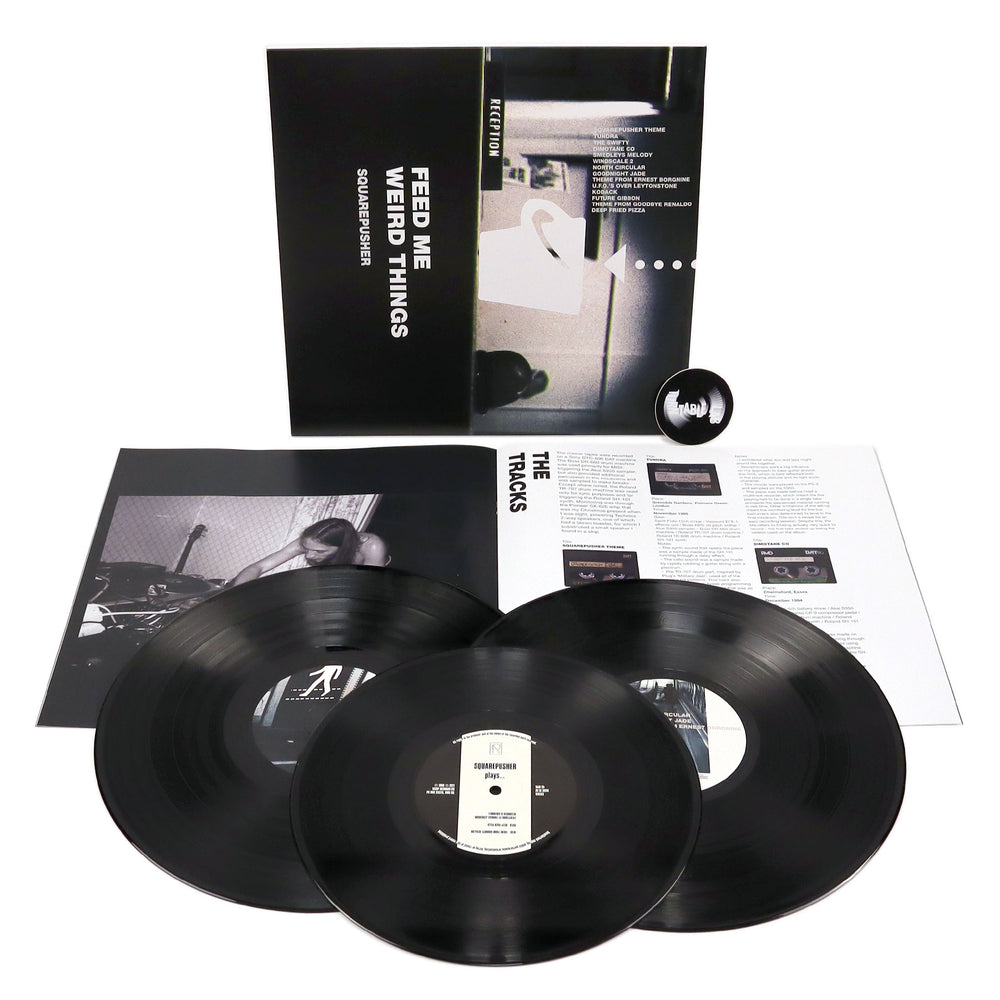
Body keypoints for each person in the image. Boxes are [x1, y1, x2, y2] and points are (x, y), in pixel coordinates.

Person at [230, 518, 388, 586]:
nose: (309, 555)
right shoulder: (310, 541)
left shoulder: (372, 547)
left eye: (319, 551)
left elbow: (368, 589)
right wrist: (238, 594)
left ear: (343, 547)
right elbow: (258, 567)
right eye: (307, 549)